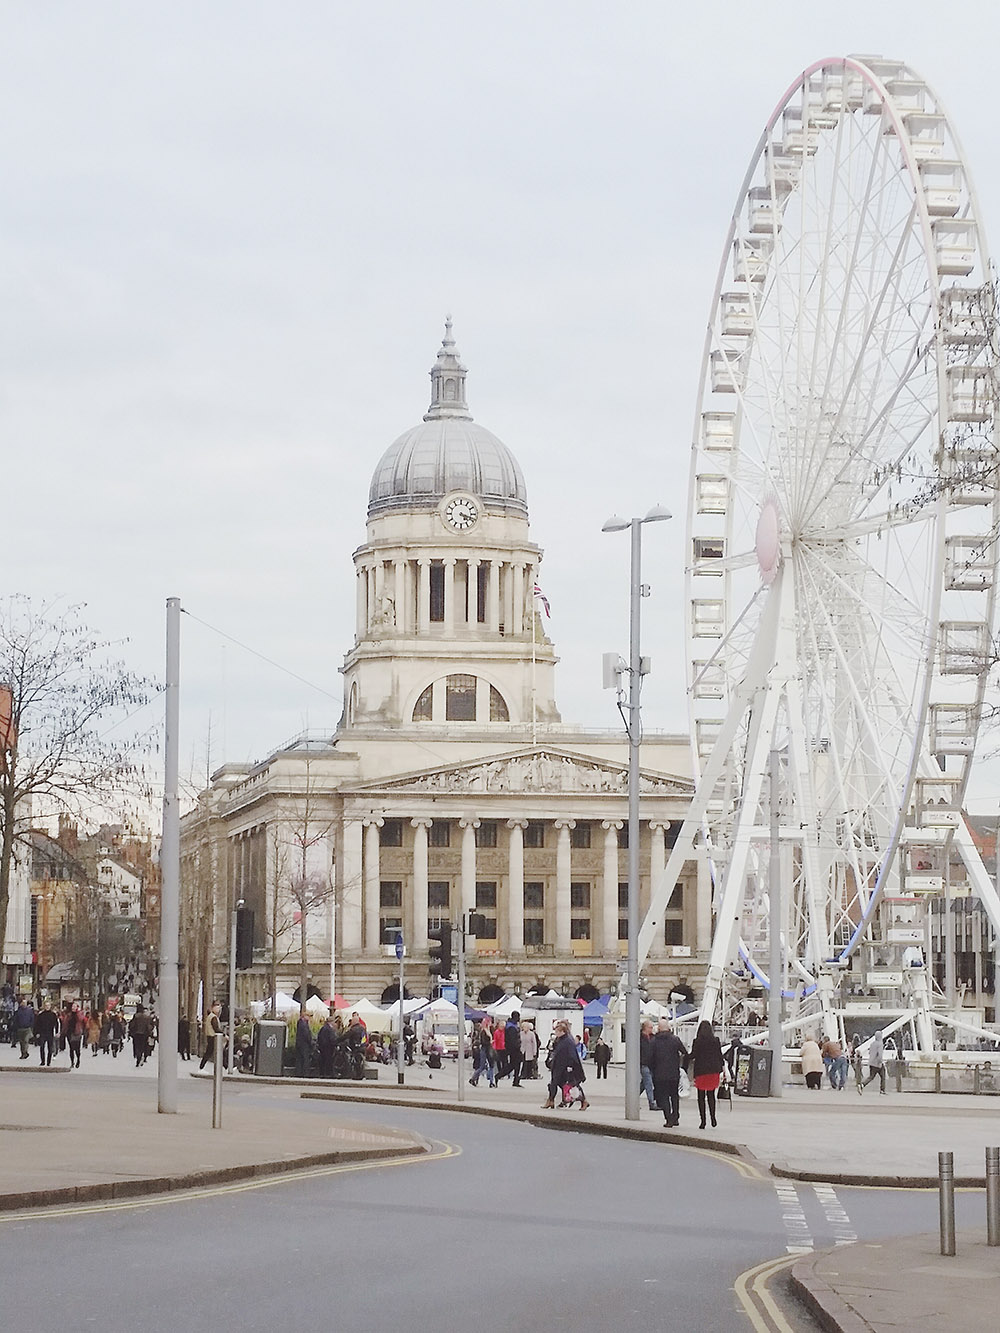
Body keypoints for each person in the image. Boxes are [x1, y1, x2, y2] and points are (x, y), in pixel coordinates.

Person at [649, 1017, 688, 1128]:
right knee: (674, 1096)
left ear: (659, 1029)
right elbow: (685, 1053)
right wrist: (683, 1067)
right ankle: (675, 1116)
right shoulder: (675, 1039)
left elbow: (650, 1058)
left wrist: (653, 1070)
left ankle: (668, 1118)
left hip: (660, 1074)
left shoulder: (654, 1041)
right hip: (673, 1073)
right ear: (669, 1028)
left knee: (663, 1096)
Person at [541, 1020, 588, 1110]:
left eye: (557, 1031)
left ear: (562, 1032)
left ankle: (583, 1100)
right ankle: (551, 1100)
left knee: (571, 1086)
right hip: (558, 1066)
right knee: (554, 1084)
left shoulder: (568, 1041)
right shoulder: (560, 1040)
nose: (555, 1033)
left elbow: (571, 1055)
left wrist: (569, 1066)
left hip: (565, 1067)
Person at [689, 1020, 725, 1129]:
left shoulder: (697, 1041)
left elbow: (693, 1055)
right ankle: (713, 1118)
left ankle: (703, 1121)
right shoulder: (715, 1040)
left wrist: (685, 1056)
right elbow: (720, 1055)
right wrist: (722, 1068)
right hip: (713, 1071)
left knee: (701, 1097)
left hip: (701, 1071)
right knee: (711, 1095)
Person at [859, 1029, 887, 1095]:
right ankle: (882, 1090)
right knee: (883, 1076)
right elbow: (880, 1054)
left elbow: (870, 1052)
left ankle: (862, 1085)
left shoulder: (872, 1044)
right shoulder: (880, 1044)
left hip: (871, 1062)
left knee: (871, 1076)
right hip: (877, 1063)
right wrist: (880, 1062)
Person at [470, 1018, 495, 1087]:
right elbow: (483, 1041)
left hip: (489, 1048)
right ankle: (473, 1078)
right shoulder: (483, 1031)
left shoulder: (491, 1030)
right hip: (485, 1049)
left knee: (491, 1065)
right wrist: (490, 1041)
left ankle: (491, 1082)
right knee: (482, 1066)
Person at [199, 1001, 224, 1069]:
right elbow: (216, 1028)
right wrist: (224, 1034)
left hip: (210, 1036)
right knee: (212, 1052)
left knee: (211, 1052)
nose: (218, 1010)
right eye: (217, 1008)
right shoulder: (213, 1017)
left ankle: (225, 1066)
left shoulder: (210, 1016)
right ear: (213, 1008)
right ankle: (201, 1067)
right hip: (213, 1037)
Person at [34, 1000, 60, 1066]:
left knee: (50, 1048)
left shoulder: (53, 1015)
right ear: (44, 1006)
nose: (47, 1007)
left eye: (48, 1005)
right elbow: (37, 1024)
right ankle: (42, 1061)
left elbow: (56, 1024)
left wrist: (57, 1032)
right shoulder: (41, 1015)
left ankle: (48, 1062)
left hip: (50, 1033)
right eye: (46, 1005)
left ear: (50, 1006)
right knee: (42, 1047)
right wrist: (37, 1033)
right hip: (42, 1033)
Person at [639, 1019, 658, 1111]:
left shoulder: (653, 1038)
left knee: (644, 1084)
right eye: (650, 1027)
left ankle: (632, 1097)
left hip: (652, 1064)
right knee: (649, 1083)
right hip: (644, 1063)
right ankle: (651, 1102)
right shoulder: (640, 1038)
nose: (652, 1029)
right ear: (645, 1028)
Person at [503, 1011, 523, 1086]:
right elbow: (512, 1040)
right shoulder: (511, 1027)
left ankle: (516, 1081)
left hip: (514, 1049)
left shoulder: (512, 1025)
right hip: (514, 1050)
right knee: (512, 1065)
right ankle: (499, 1075)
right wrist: (517, 1046)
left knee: (516, 1065)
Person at [65, 1002, 86, 1068]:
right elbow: (65, 1023)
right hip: (70, 1033)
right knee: (71, 1048)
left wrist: (78, 1012)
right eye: (72, 1006)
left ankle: (78, 1060)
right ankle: (72, 1062)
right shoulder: (69, 1015)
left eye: (74, 1006)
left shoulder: (80, 1013)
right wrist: (63, 1032)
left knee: (77, 1048)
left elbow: (80, 1019)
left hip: (77, 1033)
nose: (73, 1008)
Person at [295, 1011, 313, 1077]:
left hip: (300, 1044)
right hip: (304, 1045)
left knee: (300, 1059)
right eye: (308, 1016)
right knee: (305, 1059)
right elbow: (306, 1035)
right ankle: (305, 1073)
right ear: (304, 1016)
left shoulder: (301, 1023)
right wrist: (310, 1042)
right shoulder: (303, 1024)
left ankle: (299, 1073)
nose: (309, 1018)